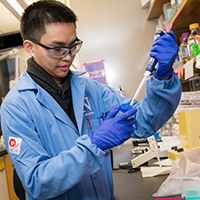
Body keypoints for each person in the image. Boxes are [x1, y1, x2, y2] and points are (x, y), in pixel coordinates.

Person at [0, 0, 182, 200]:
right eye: (57, 49)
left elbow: (143, 123)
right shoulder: (16, 106)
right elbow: (36, 182)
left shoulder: (90, 89)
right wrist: (95, 144)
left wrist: (163, 77)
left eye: (73, 46)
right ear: (30, 48)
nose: (68, 57)